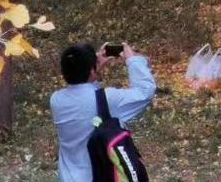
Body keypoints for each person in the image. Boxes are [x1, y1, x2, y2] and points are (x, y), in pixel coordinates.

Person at [50, 42, 156, 182]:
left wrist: (93, 69)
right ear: (91, 71)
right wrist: (133, 59)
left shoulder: (56, 100)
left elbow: (86, 95)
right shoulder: (107, 99)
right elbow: (145, 91)